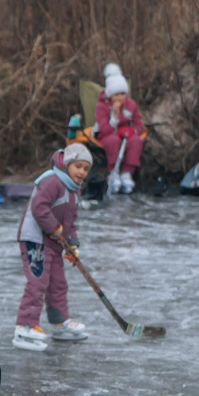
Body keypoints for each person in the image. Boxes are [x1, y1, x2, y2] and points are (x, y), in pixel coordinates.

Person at [13, 144, 93, 352]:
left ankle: (59, 322)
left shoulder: (74, 191)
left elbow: (70, 222)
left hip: (54, 243)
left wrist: (73, 245)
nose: (82, 172)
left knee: (58, 282)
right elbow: (39, 208)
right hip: (35, 240)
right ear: (67, 164)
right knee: (38, 282)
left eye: (86, 168)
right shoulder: (52, 181)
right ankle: (25, 325)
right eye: (78, 166)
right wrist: (54, 228)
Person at [95, 63, 145, 194]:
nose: (120, 97)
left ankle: (127, 173)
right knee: (113, 140)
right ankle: (113, 172)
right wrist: (115, 116)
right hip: (108, 134)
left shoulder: (131, 105)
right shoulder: (101, 107)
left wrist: (131, 131)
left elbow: (139, 125)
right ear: (110, 95)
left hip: (126, 135)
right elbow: (105, 130)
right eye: (116, 94)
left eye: (123, 93)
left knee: (136, 141)